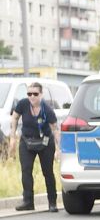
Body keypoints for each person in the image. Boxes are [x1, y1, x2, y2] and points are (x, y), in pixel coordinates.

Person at [8, 82, 60, 212]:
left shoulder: (47, 110)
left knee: (47, 172)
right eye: (29, 94)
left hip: (45, 143)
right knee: (26, 170)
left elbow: (55, 130)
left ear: (41, 95)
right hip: (27, 141)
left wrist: (58, 149)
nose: (32, 96)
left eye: (35, 94)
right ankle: (28, 201)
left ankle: (52, 202)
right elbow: (14, 117)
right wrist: (13, 137)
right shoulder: (23, 104)